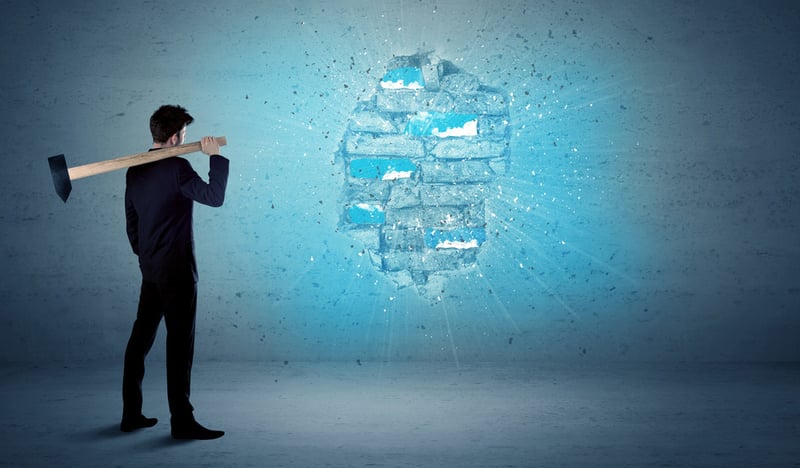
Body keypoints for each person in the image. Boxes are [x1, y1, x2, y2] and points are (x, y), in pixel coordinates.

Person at [121, 105, 229, 440]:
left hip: (151, 270)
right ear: (175, 137)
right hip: (178, 273)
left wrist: (146, 256)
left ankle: (131, 414)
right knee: (179, 347)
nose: (186, 139)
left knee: (140, 341)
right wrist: (214, 157)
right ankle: (182, 422)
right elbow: (214, 197)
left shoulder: (134, 170)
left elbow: (132, 222)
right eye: (184, 134)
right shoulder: (178, 167)